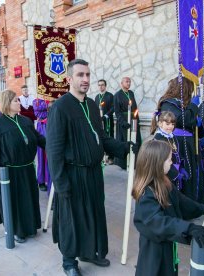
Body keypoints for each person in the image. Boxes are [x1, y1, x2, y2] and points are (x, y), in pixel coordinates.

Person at [46, 59, 138, 276]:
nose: (86, 79)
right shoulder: (60, 108)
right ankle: (69, 262)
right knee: (72, 217)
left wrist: (124, 147)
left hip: (94, 173)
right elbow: (54, 150)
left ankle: (88, 252)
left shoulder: (92, 105)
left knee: (93, 214)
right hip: (72, 174)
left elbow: (103, 138)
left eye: (88, 74)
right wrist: (61, 184)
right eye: (80, 75)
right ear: (69, 79)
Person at [132, 140, 204, 276]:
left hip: (167, 245)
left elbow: (181, 201)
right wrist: (188, 228)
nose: (171, 162)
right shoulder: (146, 193)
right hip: (154, 252)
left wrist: (201, 208)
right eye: (169, 159)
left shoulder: (164, 181)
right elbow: (157, 222)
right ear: (157, 163)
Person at [0, 89, 46, 243]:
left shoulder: (25, 121)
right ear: (6, 103)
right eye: (15, 101)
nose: (19, 103)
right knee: (16, 201)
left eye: (18, 100)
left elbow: (39, 139)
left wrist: (55, 145)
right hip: (10, 172)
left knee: (29, 199)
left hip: (27, 168)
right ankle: (18, 230)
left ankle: (31, 226)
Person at [156, 76, 204, 203]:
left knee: (190, 172)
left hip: (187, 142)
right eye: (189, 89)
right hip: (178, 143)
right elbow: (181, 120)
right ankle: (182, 203)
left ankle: (191, 201)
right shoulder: (169, 102)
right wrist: (193, 106)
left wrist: (197, 122)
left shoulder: (181, 103)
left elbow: (189, 120)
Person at [151, 111, 189, 190]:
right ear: (160, 123)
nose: (170, 127)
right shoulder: (159, 139)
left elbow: (177, 152)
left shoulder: (172, 136)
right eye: (167, 124)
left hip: (176, 170)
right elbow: (161, 161)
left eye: (172, 124)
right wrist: (175, 173)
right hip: (165, 173)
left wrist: (181, 168)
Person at [113, 77, 142, 169]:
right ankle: (124, 164)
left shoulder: (131, 93)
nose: (128, 83)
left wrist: (137, 119)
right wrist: (123, 122)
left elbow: (135, 108)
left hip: (133, 121)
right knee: (124, 141)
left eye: (129, 81)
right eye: (126, 81)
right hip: (123, 122)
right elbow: (117, 112)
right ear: (121, 83)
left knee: (135, 140)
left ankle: (134, 162)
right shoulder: (117, 95)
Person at [94, 79, 114, 164]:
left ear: (105, 86)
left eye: (102, 85)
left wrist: (106, 116)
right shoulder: (97, 97)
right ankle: (102, 156)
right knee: (101, 138)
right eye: (99, 85)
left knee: (109, 138)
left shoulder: (110, 96)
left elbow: (113, 108)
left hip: (108, 121)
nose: (100, 86)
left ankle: (110, 157)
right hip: (100, 122)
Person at [33, 98, 49, 191]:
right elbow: (37, 110)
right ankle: (41, 181)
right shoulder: (36, 100)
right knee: (42, 155)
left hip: (53, 124)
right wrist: (47, 102)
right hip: (42, 127)